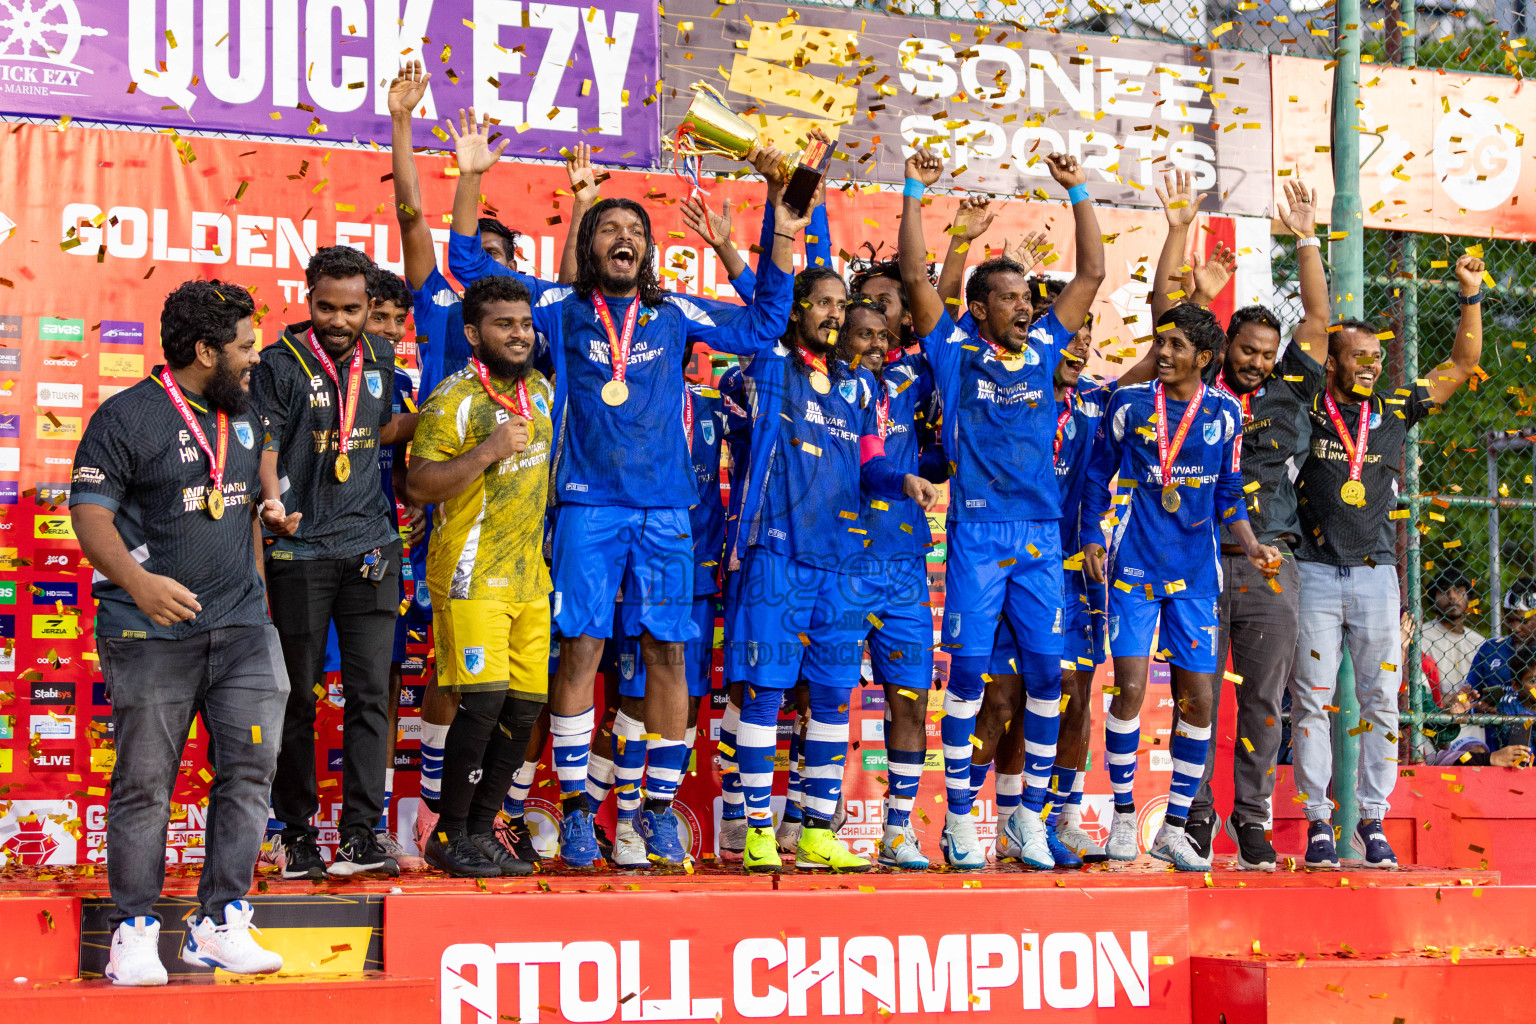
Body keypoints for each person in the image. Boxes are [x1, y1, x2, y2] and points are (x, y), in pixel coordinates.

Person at [444, 108, 798, 867]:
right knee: (581, 652)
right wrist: (471, 176)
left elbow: (769, 321)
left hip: (669, 514)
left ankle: (659, 810)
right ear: (587, 245)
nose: (621, 239)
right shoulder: (560, 309)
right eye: (606, 229)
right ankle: (577, 811)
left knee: (670, 656)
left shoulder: (674, 315)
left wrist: (774, 210)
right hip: (586, 509)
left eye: (633, 229)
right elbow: (469, 268)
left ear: (648, 248)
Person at [898, 146, 1106, 870]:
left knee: (1050, 677)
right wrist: (914, 192)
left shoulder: (1047, 346)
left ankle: (1029, 821)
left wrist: (1076, 187)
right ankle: (959, 822)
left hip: (1042, 539)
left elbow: (1092, 275)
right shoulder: (954, 352)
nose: (1028, 307)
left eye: (1029, 298)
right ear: (982, 310)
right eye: (1012, 299)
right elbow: (917, 282)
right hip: (979, 534)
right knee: (966, 679)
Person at [73, 280, 286, 984]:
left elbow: (244, 508)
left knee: (250, 774)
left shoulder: (244, 414)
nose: (255, 357)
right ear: (204, 351)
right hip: (149, 631)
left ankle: (219, 921)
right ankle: (134, 928)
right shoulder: (126, 417)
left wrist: (265, 553)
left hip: (244, 632)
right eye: (245, 346)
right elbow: (91, 516)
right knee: (145, 781)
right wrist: (140, 585)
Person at [728, 281, 940, 873]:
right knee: (767, 695)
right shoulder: (773, 366)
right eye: (823, 303)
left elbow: (871, 461)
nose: (833, 314)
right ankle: (758, 832)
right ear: (798, 310)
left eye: (838, 305)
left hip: (843, 564)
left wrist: (904, 481)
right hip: (777, 554)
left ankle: (819, 832)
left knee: (829, 699)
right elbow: (763, 311)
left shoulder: (862, 386)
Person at [1289, 253, 1486, 870]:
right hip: (1313, 571)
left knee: (1380, 701)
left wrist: (1471, 295)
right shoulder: (1308, 404)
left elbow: (1462, 365)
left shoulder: (1397, 408)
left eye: (1378, 357)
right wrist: (1305, 244)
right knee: (1313, 698)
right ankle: (1319, 823)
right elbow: (1315, 326)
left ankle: (1373, 821)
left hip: (1377, 576)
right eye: (1359, 357)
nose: (1371, 365)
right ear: (1334, 361)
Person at [1158, 177, 1328, 872]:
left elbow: (1316, 322)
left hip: (1270, 563)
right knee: (1194, 692)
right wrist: (1201, 291)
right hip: (1198, 556)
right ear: (1224, 348)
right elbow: (1175, 326)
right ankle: (1192, 820)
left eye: (1267, 351)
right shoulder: (1197, 391)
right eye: (1246, 349)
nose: (1257, 360)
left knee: (1264, 700)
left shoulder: (1291, 391)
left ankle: (1251, 821)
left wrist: (1308, 239)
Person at [1081, 304, 1281, 871]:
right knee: (1130, 689)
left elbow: (1228, 492)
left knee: (1199, 701)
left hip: (1196, 574)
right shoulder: (1129, 403)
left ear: (1204, 357)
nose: (1162, 354)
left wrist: (1252, 542)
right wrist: (1094, 536)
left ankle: (1173, 827)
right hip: (1133, 567)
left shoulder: (1223, 414)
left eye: (1174, 346)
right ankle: (1123, 816)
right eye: (1159, 342)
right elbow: (1098, 474)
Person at [253, 245, 418, 879]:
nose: (340, 320)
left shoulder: (379, 357)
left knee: (372, 694)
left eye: (353, 309)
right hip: (298, 547)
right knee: (296, 696)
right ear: (308, 295)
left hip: (372, 546)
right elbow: (266, 443)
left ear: (369, 307)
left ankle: (361, 835)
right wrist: (270, 501)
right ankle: (293, 834)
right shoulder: (278, 363)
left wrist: (422, 427)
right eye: (327, 306)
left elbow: (370, 432)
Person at [404, 275, 552, 876]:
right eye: (503, 324)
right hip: (469, 576)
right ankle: (448, 834)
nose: (518, 334)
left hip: (529, 582)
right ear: (473, 333)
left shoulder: (540, 388)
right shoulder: (453, 399)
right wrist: (488, 450)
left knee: (522, 710)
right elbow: (417, 485)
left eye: (523, 324)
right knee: (483, 703)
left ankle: (483, 832)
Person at [834, 282, 946, 869]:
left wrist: (934, 461)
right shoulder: (822, 386)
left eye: (885, 331)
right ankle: (813, 816)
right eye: (863, 331)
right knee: (818, 693)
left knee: (909, 697)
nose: (877, 342)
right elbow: (872, 463)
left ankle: (899, 827)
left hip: (902, 562)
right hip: (837, 562)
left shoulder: (911, 381)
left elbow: (943, 328)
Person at [1467, 582, 1536, 749]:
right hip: (1498, 748)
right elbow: (1468, 695)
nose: (1515, 628)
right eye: (1510, 620)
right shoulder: (1490, 650)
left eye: (1523, 621)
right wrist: (1477, 708)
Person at [1422, 569, 1487, 698]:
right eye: (1444, 591)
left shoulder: (1479, 642)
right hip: (1434, 710)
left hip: (1474, 708)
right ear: (1433, 602)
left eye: (1458, 591)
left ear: (1468, 599)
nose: (1452, 596)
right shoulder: (1422, 636)